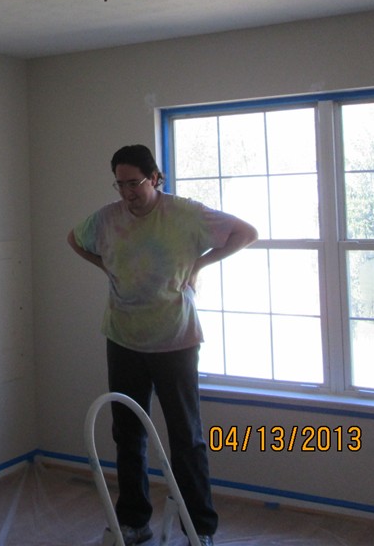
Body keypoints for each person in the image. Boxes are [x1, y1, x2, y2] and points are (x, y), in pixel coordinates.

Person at [67, 144, 257, 546]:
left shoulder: (185, 214)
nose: (127, 193)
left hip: (176, 341)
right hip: (123, 339)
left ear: (154, 178)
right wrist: (106, 266)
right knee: (127, 434)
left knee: (186, 436)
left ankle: (199, 527)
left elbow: (246, 233)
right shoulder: (107, 219)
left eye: (134, 183)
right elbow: (74, 238)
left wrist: (199, 263)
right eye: (120, 185)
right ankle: (134, 521)